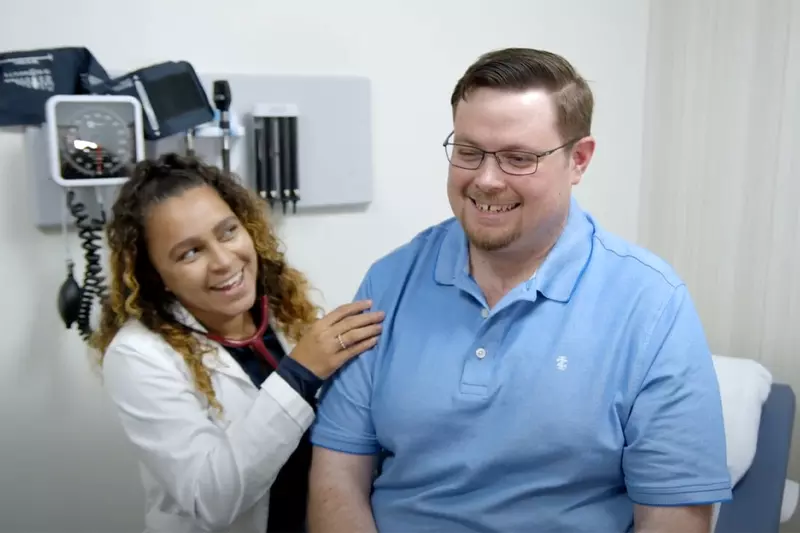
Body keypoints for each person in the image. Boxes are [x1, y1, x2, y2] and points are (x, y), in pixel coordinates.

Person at [307, 48, 732, 533]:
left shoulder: (650, 306)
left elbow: (673, 515)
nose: (486, 180)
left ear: (579, 160)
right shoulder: (390, 282)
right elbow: (338, 474)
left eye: (518, 158)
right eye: (468, 152)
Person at [91, 153, 384, 533]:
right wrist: (299, 374)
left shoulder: (282, 310)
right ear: (155, 274)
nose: (224, 261)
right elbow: (211, 499)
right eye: (190, 252)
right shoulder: (138, 356)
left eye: (227, 231)